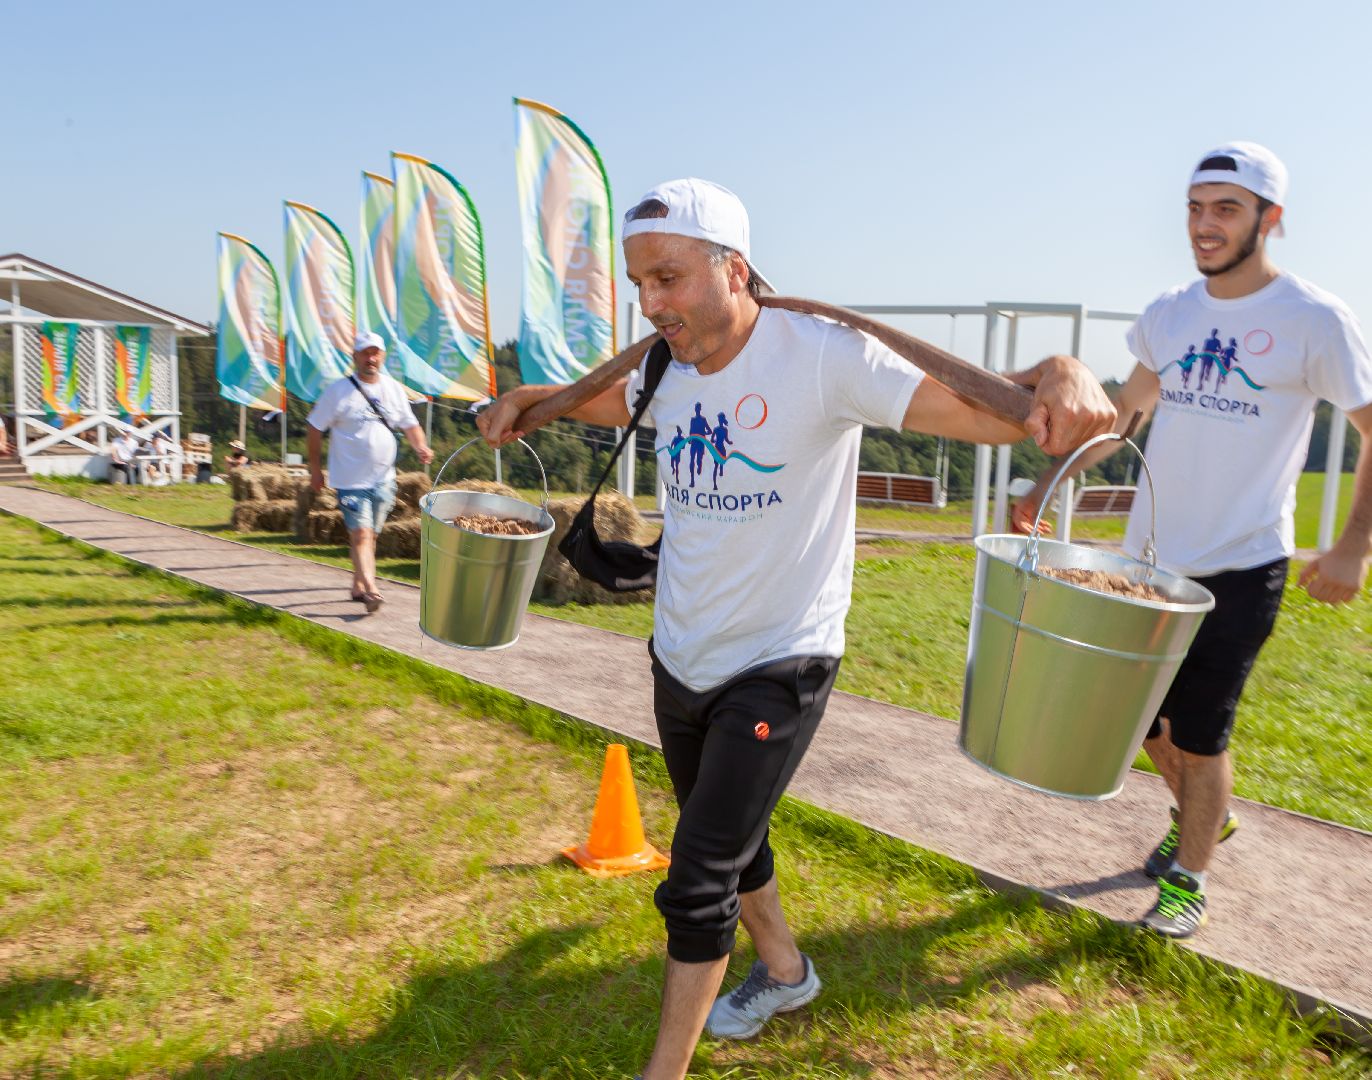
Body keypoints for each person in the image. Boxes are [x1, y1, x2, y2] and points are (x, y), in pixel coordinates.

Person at [477, 177, 1116, 1080]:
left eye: (669, 278)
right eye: (641, 284)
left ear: (733, 269)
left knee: (696, 876)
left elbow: (987, 411)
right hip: (680, 654)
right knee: (728, 832)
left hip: (783, 656)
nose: (651, 304)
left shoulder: (822, 355)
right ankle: (784, 970)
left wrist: (1061, 373)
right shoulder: (665, 365)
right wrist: (524, 401)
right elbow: (599, 401)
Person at [1013, 142, 1372, 940]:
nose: (1205, 226)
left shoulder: (1313, 320)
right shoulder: (1171, 313)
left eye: (1227, 209)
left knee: (1203, 738)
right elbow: (1121, 422)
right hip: (1149, 567)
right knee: (1141, 727)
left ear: (1269, 220)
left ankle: (1188, 878)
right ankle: (1206, 818)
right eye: (1195, 208)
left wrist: (1352, 544)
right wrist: (1047, 485)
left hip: (1243, 567)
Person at [307, 331, 434, 612]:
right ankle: (372, 590)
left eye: (375, 353)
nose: (371, 358)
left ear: (383, 356)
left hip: (383, 479)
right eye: (365, 353)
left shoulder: (392, 389)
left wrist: (420, 446)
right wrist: (315, 470)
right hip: (350, 480)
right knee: (362, 535)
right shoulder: (338, 391)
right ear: (354, 357)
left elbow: (409, 424)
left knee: (369, 536)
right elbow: (315, 428)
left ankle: (357, 585)